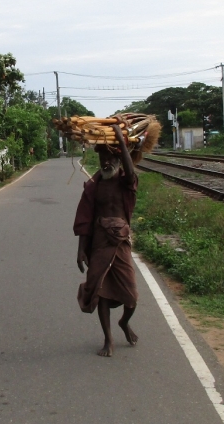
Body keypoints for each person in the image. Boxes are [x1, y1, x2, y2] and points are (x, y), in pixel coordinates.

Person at [73, 124, 139, 357]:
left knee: (131, 297)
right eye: (102, 157)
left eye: (111, 157)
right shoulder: (94, 186)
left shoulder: (126, 182)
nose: (106, 162)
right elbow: (84, 218)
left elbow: (131, 173)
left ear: (120, 158)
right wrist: (81, 249)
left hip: (120, 242)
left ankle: (124, 322)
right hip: (99, 243)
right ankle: (108, 339)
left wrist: (121, 141)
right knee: (100, 290)